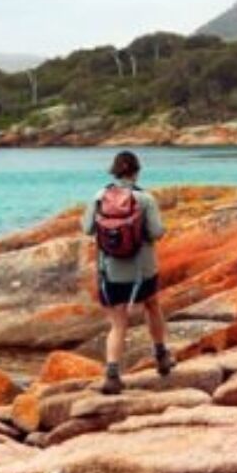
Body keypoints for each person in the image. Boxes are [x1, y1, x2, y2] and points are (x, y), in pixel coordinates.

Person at [82, 151, 174, 395]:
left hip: (110, 271)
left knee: (117, 323)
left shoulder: (99, 196)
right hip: (142, 270)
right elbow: (156, 232)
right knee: (152, 305)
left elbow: (87, 228)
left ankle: (112, 374)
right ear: (136, 171)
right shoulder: (145, 199)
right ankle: (161, 355)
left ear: (114, 171)